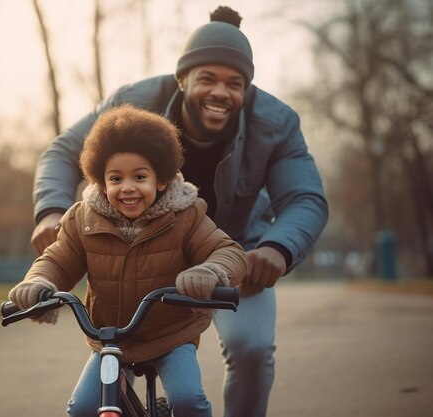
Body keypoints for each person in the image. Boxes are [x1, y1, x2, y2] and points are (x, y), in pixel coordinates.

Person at [29, 5, 329, 417]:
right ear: (182, 79)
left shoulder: (276, 123)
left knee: (252, 348)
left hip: (235, 255)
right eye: (207, 78)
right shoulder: (132, 105)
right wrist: (50, 211)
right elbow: (65, 152)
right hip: (136, 241)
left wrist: (277, 248)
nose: (220, 92)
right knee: (114, 352)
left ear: (247, 90)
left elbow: (305, 197)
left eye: (235, 83)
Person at [9, 104, 248, 417]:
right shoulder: (83, 219)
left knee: (188, 400)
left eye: (139, 176)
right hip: (111, 338)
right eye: (116, 178)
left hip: (171, 335)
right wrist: (39, 281)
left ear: (161, 179)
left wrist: (211, 272)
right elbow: (58, 259)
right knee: (81, 409)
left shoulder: (186, 215)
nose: (128, 187)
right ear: (100, 181)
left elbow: (229, 252)